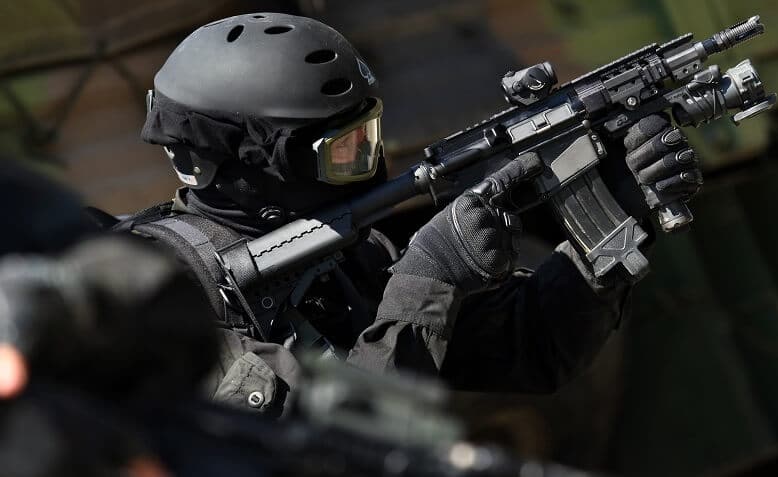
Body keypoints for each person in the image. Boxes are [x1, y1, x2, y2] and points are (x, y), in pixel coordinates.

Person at [120, 12, 702, 415]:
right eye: (343, 153)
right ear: (247, 170)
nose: (371, 165)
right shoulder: (161, 305)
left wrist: (620, 217)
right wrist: (426, 280)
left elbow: (531, 350)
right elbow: (334, 456)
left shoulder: (343, 257)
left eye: (367, 137)